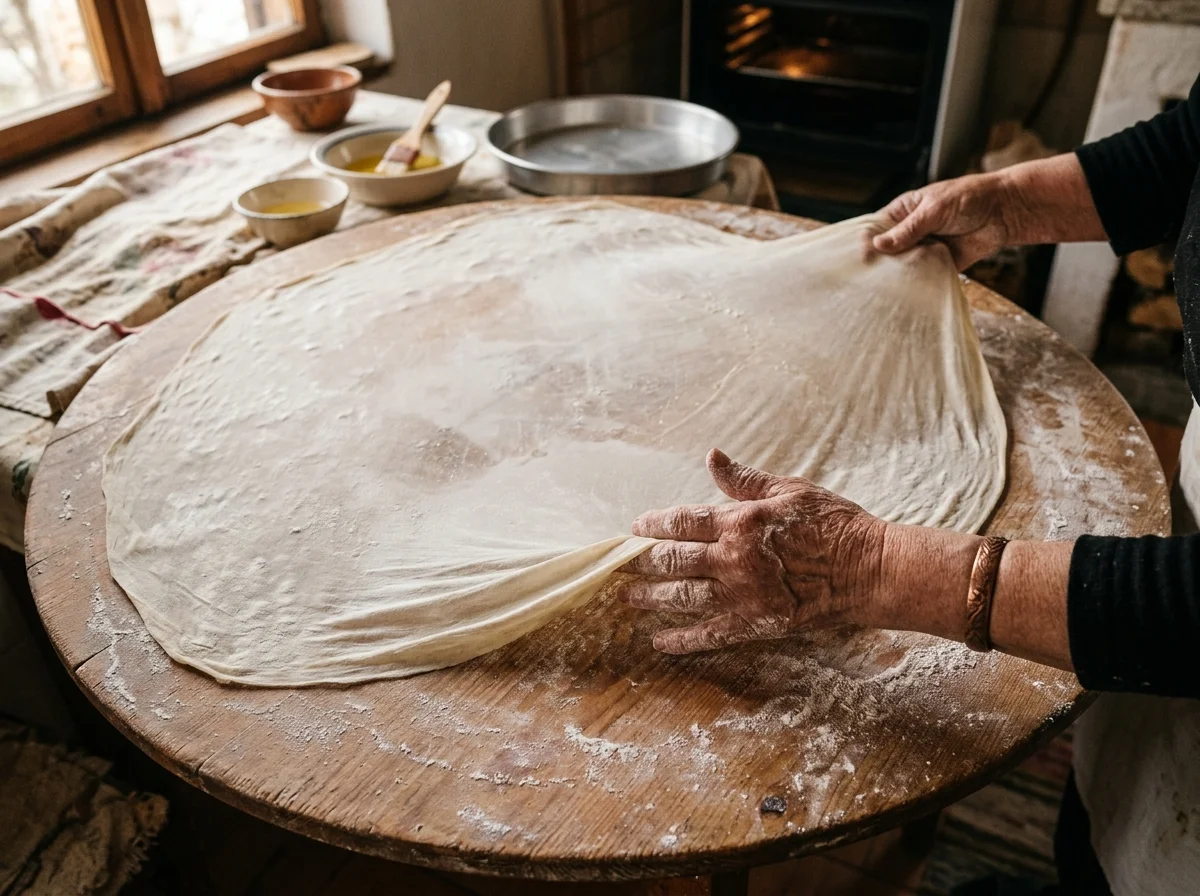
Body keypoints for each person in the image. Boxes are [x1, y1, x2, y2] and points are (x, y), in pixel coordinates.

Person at [618, 75, 1200, 895]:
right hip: (1149, 651)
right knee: (1106, 830)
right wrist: (1008, 205)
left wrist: (869, 566)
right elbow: (1191, 147)